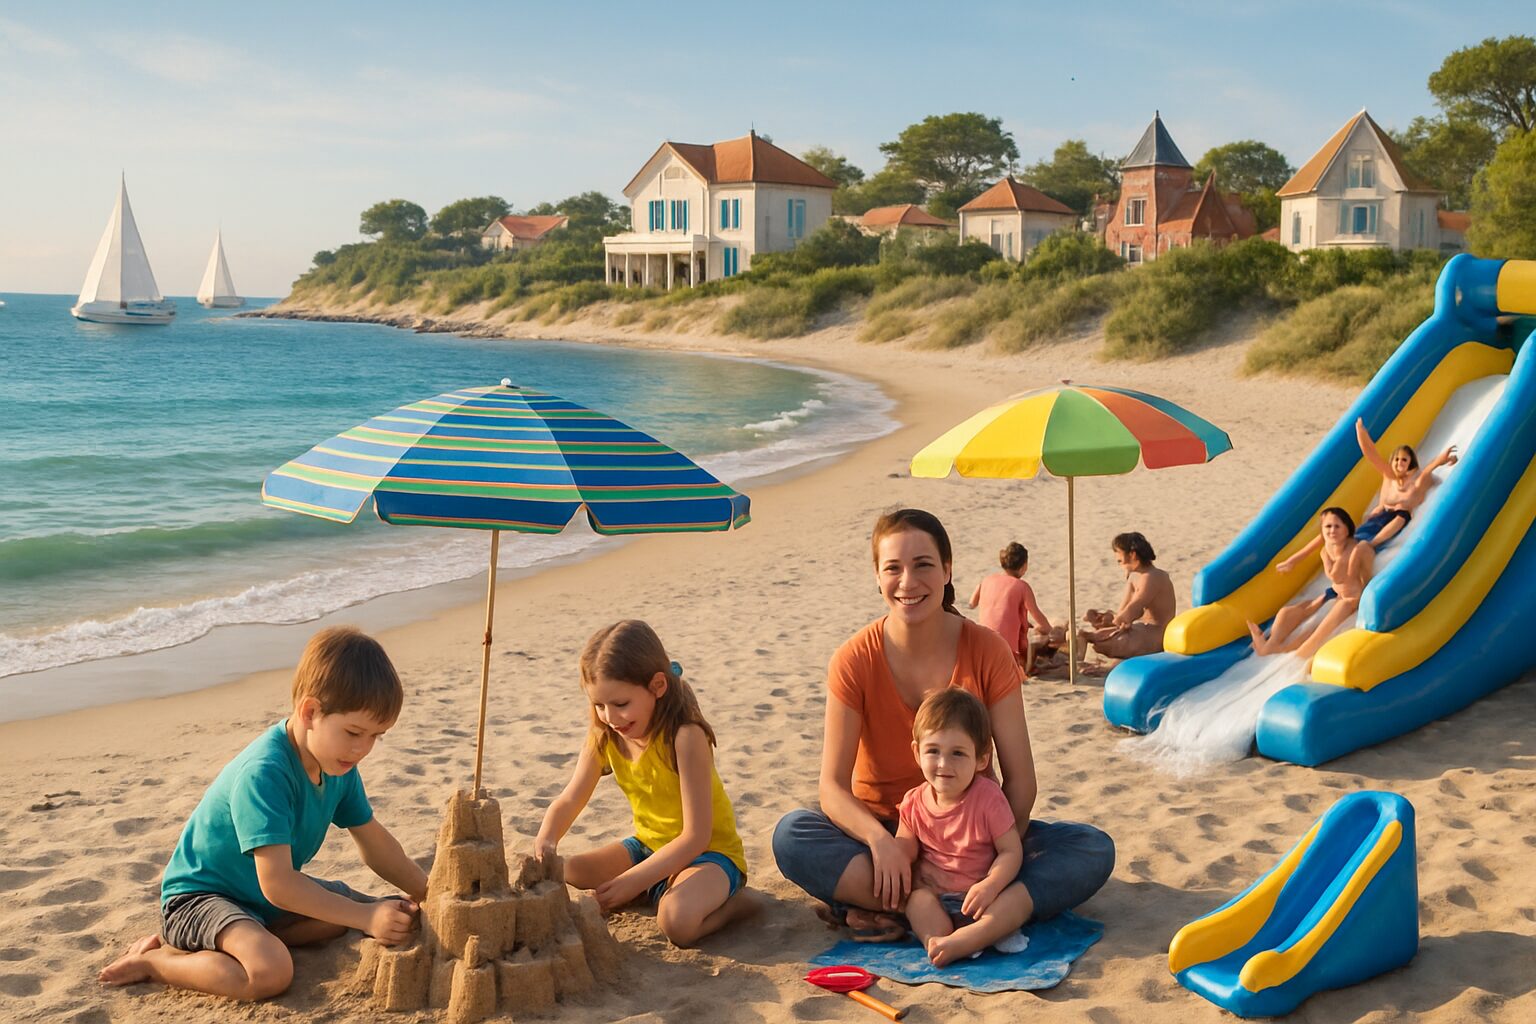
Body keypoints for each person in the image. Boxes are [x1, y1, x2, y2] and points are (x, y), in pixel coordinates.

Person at [772, 508, 1114, 944]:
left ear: (948, 570)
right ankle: (942, 907)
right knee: (792, 836)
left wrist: (989, 861)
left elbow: (1021, 781)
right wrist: (882, 843)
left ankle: (907, 908)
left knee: (1092, 848)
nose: (908, 582)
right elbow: (831, 788)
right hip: (885, 841)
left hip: (976, 834)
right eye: (893, 568)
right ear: (877, 575)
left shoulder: (987, 651)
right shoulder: (854, 659)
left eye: (924, 565)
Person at [99, 627, 428, 1000]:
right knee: (270, 972)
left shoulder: (338, 766)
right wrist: (366, 918)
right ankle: (154, 963)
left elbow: (375, 842)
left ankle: (243, 940)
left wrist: (426, 890)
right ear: (310, 712)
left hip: (259, 901)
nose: (363, 749)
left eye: (376, 736)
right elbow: (280, 885)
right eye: (354, 732)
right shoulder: (265, 772)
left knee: (369, 911)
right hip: (200, 898)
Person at [534, 620, 758, 947]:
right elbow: (570, 799)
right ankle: (655, 885)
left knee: (676, 923)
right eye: (599, 705)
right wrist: (546, 840)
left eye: (621, 704)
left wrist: (630, 881)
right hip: (649, 847)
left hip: (709, 855)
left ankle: (739, 905)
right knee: (570, 871)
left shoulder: (684, 736)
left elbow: (697, 837)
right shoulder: (605, 734)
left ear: (657, 686)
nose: (610, 717)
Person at [898, 689, 1031, 966]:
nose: (944, 764)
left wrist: (991, 885)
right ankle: (942, 942)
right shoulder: (913, 802)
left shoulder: (988, 797)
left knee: (1015, 901)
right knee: (917, 901)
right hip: (937, 896)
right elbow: (904, 850)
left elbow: (1010, 851)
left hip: (983, 897)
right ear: (916, 752)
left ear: (981, 759)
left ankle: (975, 936)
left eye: (958, 753)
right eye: (933, 751)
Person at [1248, 507, 1375, 661]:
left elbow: (1343, 576)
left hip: (1351, 600)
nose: (1332, 530)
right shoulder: (1326, 548)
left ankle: (1277, 649)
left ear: (1347, 528)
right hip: (1333, 594)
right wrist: (1290, 562)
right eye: (1328, 527)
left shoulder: (1355, 548)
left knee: (1314, 634)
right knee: (1286, 613)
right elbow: (1311, 551)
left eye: (1337, 526)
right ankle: (1270, 644)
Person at [1352, 418, 1458, 548]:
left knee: (1402, 515)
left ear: (1410, 464)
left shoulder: (1416, 482)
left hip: (1396, 522)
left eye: (1404, 460)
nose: (1399, 462)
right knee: (1360, 531)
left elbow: (1429, 468)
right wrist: (1361, 433)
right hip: (1378, 519)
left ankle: (1373, 543)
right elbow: (1371, 455)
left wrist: (1448, 459)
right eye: (1396, 459)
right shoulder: (1389, 476)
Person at [1077, 532, 1176, 660]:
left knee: (1113, 641)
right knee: (1085, 635)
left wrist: (1117, 621)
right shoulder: (1134, 576)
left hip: (1156, 634)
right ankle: (1077, 661)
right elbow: (1123, 611)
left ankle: (1085, 663)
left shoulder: (1154, 576)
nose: (1119, 564)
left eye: (1120, 561)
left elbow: (1135, 608)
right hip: (1139, 629)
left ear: (1133, 555)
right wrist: (1107, 620)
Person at [968, 542, 1052, 674]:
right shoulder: (1022, 586)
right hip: (1009, 654)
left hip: (983, 649)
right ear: (1024, 566)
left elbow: (972, 603)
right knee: (1041, 637)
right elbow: (1038, 617)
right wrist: (1047, 629)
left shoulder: (986, 580)